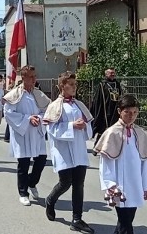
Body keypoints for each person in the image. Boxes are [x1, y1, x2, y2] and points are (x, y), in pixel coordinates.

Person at [95, 94, 147, 234]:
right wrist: (110, 184)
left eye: (135, 112)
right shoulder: (112, 133)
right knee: (125, 224)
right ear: (119, 111)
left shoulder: (139, 133)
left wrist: (145, 186)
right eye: (127, 112)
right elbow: (106, 162)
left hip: (135, 185)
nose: (131, 116)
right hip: (119, 185)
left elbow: (146, 161)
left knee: (127, 220)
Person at [43, 71, 96, 234]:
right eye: (71, 84)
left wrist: (83, 126)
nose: (74, 87)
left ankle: (77, 219)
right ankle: (50, 200)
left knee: (79, 184)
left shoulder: (79, 104)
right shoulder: (54, 106)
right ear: (61, 86)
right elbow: (50, 129)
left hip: (78, 149)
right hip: (63, 150)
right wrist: (72, 126)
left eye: (75, 84)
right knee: (65, 182)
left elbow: (88, 125)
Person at [3, 66, 51, 206]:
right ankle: (23, 193)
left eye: (35, 76)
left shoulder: (38, 94)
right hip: (22, 133)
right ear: (23, 77)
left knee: (41, 160)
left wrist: (39, 118)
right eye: (30, 76)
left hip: (37, 132)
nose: (34, 79)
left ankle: (32, 182)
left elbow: (48, 110)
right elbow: (9, 114)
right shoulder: (14, 95)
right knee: (23, 164)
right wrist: (28, 119)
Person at [91, 68, 123, 152]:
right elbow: (98, 99)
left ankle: (113, 148)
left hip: (115, 110)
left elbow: (120, 96)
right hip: (105, 111)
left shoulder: (117, 84)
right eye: (111, 73)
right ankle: (97, 147)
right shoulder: (102, 85)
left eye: (113, 73)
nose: (113, 74)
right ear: (106, 74)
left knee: (115, 129)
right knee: (103, 129)